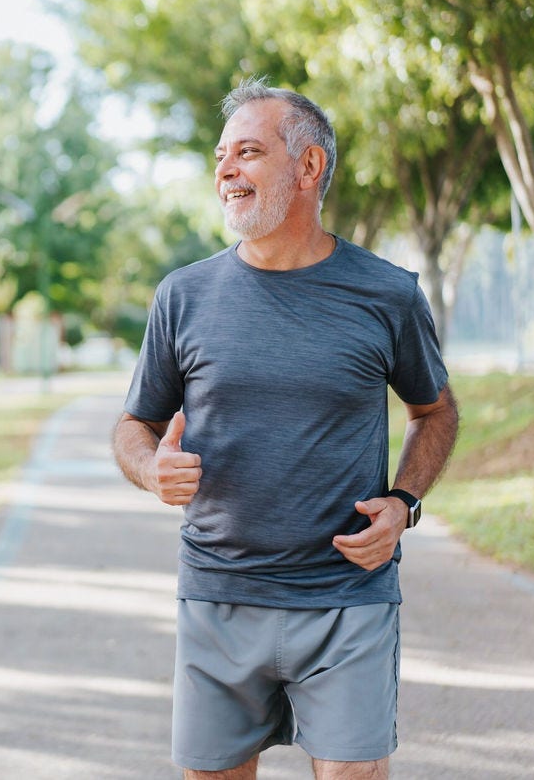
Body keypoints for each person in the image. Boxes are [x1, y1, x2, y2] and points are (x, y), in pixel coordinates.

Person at [112, 79, 459, 780]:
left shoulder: (388, 293)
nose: (225, 170)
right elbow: (134, 422)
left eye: (247, 152)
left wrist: (404, 502)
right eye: (220, 156)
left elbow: (435, 412)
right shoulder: (183, 295)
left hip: (346, 595)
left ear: (309, 166)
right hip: (218, 593)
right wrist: (150, 468)